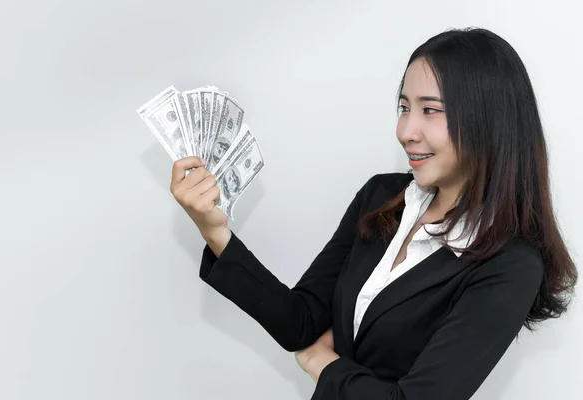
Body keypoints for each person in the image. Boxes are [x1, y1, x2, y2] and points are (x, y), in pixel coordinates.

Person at [168, 27, 578, 399]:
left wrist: (320, 364)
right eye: (404, 107)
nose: (405, 130)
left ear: (488, 122)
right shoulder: (381, 197)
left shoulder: (510, 265)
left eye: (429, 110)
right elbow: (303, 320)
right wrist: (214, 231)